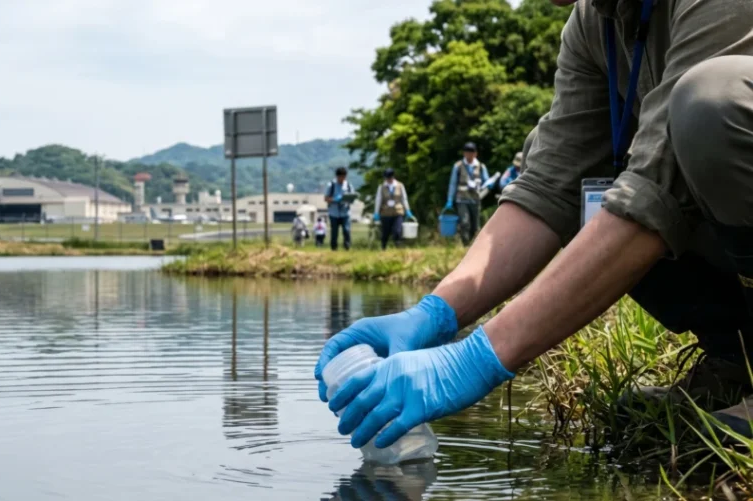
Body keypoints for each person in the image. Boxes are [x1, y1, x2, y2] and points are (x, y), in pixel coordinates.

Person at [314, 0, 753, 452]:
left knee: (713, 102)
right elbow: (549, 186)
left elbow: (655, 188)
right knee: (589, 180)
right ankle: (737, 363)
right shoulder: (595, 21)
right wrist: (435, 313)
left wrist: (477, 358)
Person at [445, 143, 489, 245]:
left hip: (475, 199)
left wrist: (487, 186)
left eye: (471, 153)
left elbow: (486, 181)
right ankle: (465, 243)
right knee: (465, 223)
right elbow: (453, 183)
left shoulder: (481, 167)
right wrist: (450, 200)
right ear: (464, 153)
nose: (469, 155)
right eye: (467, 153)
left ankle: (473, 245)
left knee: (475, 225)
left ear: (475, 154)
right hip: (462, 199)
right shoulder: (458, 166)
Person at [373, 168, 414, 250]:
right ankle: (383, 248)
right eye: (387, 178)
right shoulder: (381, 187)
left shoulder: (400, 185)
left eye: (389, 178)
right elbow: (378, 200)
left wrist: (408, 210)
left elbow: (404, 199)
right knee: (385, 232)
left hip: (398, 212)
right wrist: (376, 212)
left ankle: (398, 248)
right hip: (385, 213)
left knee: (397, 231)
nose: (388, 180)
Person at [324, 167, 355, 251]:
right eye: (340, 177)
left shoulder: (348, 185)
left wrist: (347, 199)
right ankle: (334, 249)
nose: (342, 179)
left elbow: (352, 198)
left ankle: (347, 247)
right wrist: (335, 199)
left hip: (345, 212)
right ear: (337, 176)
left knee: (346, 230)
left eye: (343, 177)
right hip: (334, 213)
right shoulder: (331, 185)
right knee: (334, 232)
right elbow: (326, 198)